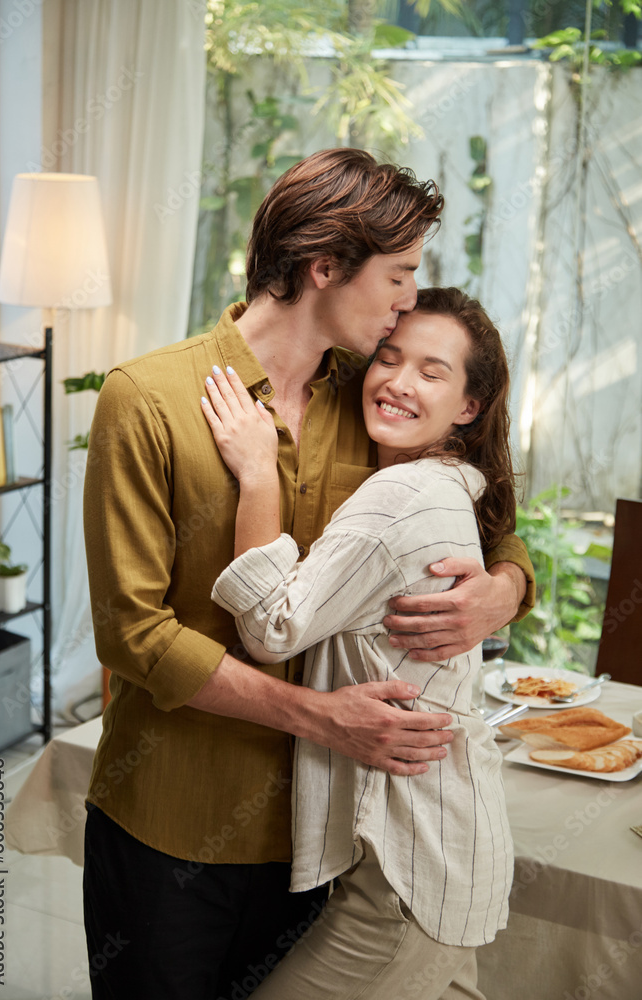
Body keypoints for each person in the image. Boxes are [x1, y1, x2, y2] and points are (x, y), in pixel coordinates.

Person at [82, 149, 534, 1000]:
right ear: (325, 267)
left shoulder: (372, 396)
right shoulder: (146, 399)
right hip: (171, 822)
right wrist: (320, 718)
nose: (408, 299)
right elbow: (132, 634)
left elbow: (489, 517)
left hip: (316, 833)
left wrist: (501, 589)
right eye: (399, 275)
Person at [207, 286, 516, 999]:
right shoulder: (444, 486)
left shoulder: (401, 496)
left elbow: (269, 628)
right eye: (388, 356)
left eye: (432, 371)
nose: (398, 382)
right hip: (441, 858)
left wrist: (257, 473)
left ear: (468, 406)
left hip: (409, 879)